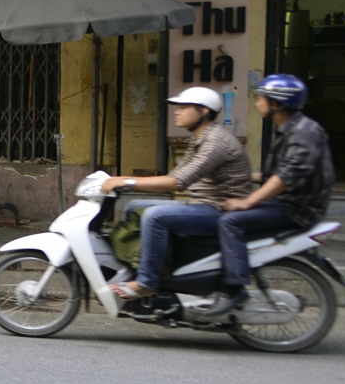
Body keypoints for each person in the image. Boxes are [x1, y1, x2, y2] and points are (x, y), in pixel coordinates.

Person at [197, 73, 335, 317]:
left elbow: (286, 177)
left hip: (297, 209)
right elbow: (272, 174)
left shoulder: (305, 132)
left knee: (231, 221)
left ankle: (235, 288)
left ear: (276, 104)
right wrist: (235, 174)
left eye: (260, 98)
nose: (256, 102)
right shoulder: (288, 129)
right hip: (287, 202)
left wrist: (247, 202)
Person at [100, 87, 252, 300]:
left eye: (183, 107)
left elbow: (177, 182)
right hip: (201, 204)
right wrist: (126, 182)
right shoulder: (199, 139)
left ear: (204, 111)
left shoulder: (215, 141)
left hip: (218, 210)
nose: (176, 112)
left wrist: (127, 181)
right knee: (134, 207)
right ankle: (134, 268)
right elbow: (175, 175)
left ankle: (147, 282)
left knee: (156, 217)